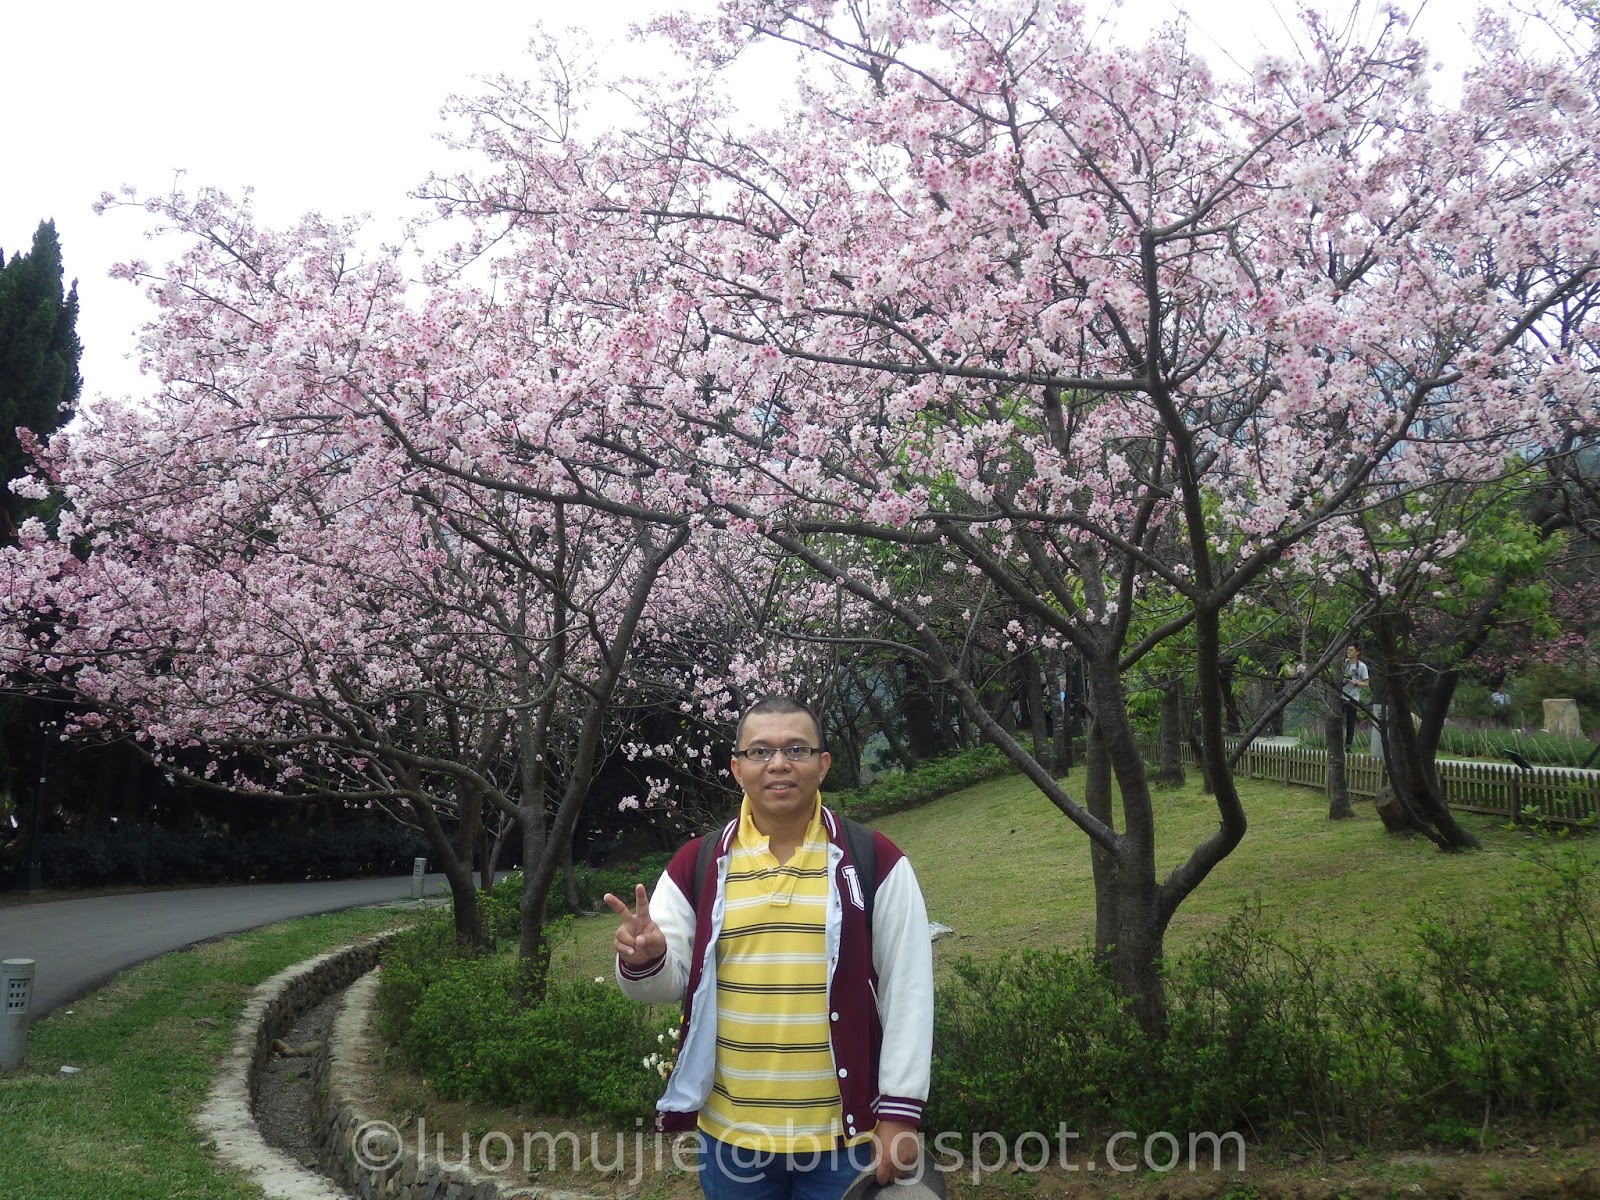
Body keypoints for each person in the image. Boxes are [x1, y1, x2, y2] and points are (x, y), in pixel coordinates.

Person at [605, 695, 933, 1200]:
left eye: (796, 749)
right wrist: (647, 958)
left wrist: (899, 1112)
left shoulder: (875, 859)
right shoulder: (698, 863)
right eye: (759, 752)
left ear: (823, 765)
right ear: (737, 769)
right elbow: (663, 986)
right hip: (731, 1139)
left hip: (846, 1139)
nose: (778, 764)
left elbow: (907, 989)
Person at [1341, 645, 1370, 751]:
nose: (1348, 652)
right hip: (1341, 695)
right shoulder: (1344, 664)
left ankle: (1348, 746)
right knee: (1336, 720)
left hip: (1353, 697)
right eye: (1348, 650)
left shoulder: (1362, 666)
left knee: (1350, 722)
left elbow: (1366, 683)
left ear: (1357, 652)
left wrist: (1356, 683)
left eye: (1351, 650)